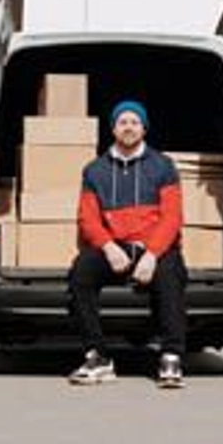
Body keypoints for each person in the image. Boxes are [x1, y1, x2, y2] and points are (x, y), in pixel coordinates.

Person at [67, 99, 187, 389]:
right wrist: (109, 248)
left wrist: (152, 255)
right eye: (123, 122)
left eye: (135, 122)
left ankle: (170, 356)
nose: (129, 127)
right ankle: (97, 357)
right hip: (116, 248)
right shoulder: (94, 170)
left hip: (154, 248)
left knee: (171, 275)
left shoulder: (163, 166)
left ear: (144, 129)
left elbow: (172, 217)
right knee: (81, 274)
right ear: (113, 129)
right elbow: (87, 219)